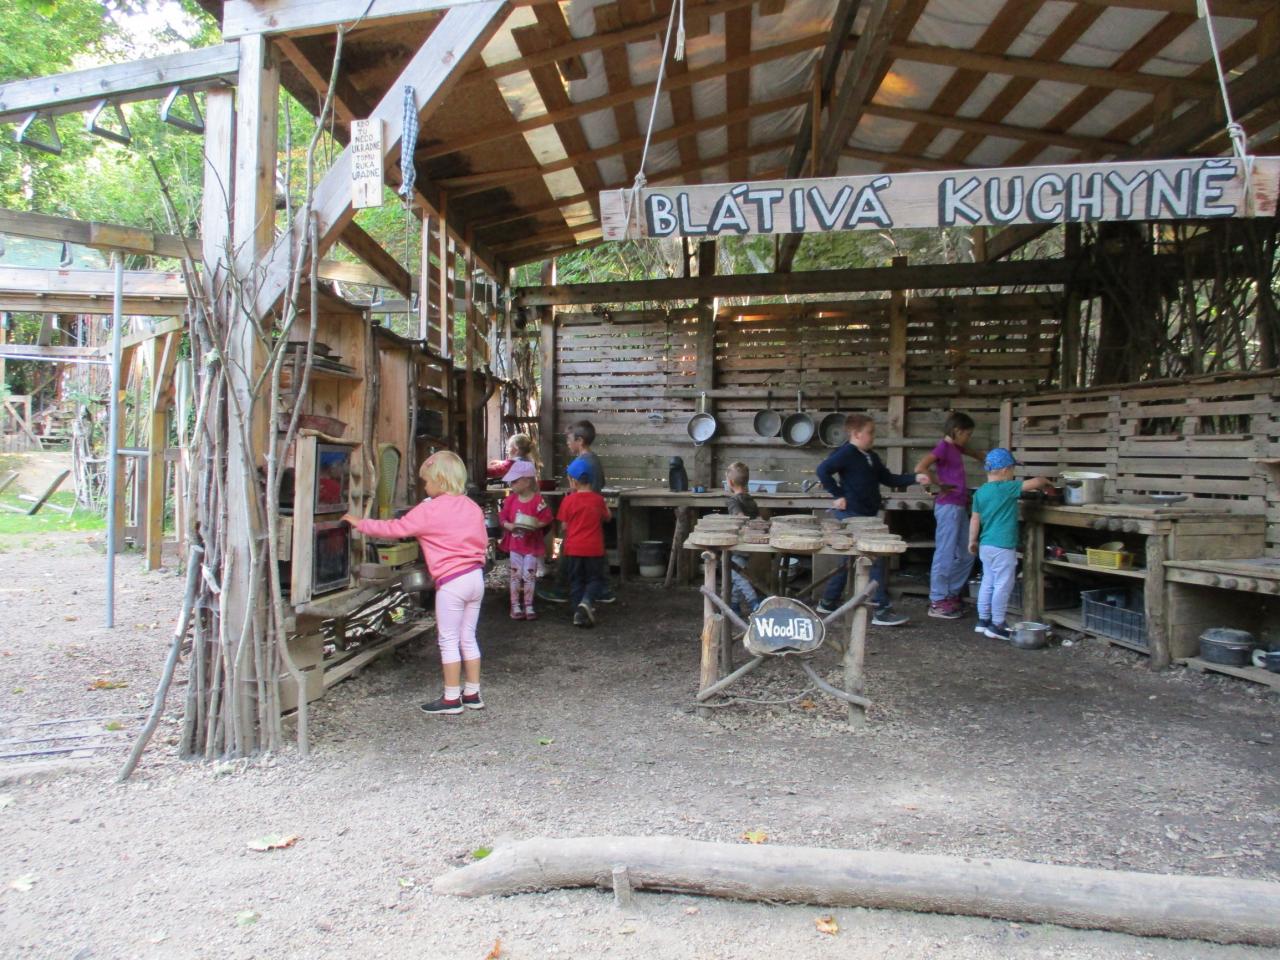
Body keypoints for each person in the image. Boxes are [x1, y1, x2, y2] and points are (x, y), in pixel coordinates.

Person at [342, 451, 488, 716]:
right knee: (468, 637)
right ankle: (473, 693)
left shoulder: (429, 509)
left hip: (452, 582)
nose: (425, 486)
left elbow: (395, 529)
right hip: (475, 578)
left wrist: (361, 524)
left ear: (439, 480)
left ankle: (451, 698)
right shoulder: (472, 506)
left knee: (448, 640)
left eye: (426, 481)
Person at [815, 414, 930, 625]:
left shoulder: (870, 456)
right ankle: (881, 609)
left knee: (848, 559)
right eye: (870, 432)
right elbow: (822, 470)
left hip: (867, 515)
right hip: (852, 514)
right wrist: (838, 495)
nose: (873, 436)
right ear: (856, 434)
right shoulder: (846, 453)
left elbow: (888, 478)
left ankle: (828, 601)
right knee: (875, 557)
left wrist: (914, 478)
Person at [968, 448, 1053, 641]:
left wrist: (972, 541)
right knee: (1003, 584)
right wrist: (1046, 481)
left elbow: (975, 519)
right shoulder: (1007, 487)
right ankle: (997, 624)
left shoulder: (980, 492)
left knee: (988, 581)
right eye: (1013, 469)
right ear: (1006, 470)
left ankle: (983, 620)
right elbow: (1036, 482)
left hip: (986, 545)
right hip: (1003, 545)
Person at [914, 411, 984, 620]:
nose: (968, 438)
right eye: (967, 434)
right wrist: (940, 483)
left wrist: (990, 458)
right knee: (945, 553)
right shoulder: (943, 447)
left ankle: (950, 594)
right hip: (948, 507)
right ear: (957, 431)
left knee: (967, 553)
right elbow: (920, 467)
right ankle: (937, 600)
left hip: (959, 506)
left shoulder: (955, 447)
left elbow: (973, 452)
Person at [539, 420, 617, 604]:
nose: (567, 442)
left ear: (580, 440)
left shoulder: (584, 462)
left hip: (581, 515)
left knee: (570, 550)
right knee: (595, 552)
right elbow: (601, 485)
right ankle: (601, 590)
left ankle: (563, 590)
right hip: (590, 514)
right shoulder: (592, 460)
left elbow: (588, 489)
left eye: (569, 439)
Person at [558, 458, 611, 628]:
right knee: (595, 579)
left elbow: (564, 526)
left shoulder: (568, 501)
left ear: (574, 481)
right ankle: (586, 602)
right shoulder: (598, 500)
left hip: (573, 549)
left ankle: (578, 613)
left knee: (576, 581)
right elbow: (608, 517)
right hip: (594, 549)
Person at [497, 459, 553, 621]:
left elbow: (547, 518)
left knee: (529, 575)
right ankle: (515, 605)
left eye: (515, 481)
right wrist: (509, 526)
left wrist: (535, 525)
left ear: (527, 481)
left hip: (531, 545)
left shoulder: (538, 501)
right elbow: (502, 518)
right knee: (515, 575)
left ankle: (528, 605)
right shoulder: (510, 500)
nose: (511, 484)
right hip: (515, 545)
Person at [725, 461, 761, 615]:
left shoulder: (733, 501)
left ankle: (754, 602)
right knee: (738, 573)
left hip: (739, 544)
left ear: (730, 482)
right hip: (751, 543)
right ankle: (734, 605)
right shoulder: (750, 500)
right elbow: (759, 519)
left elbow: (740, 518)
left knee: (736, 574)